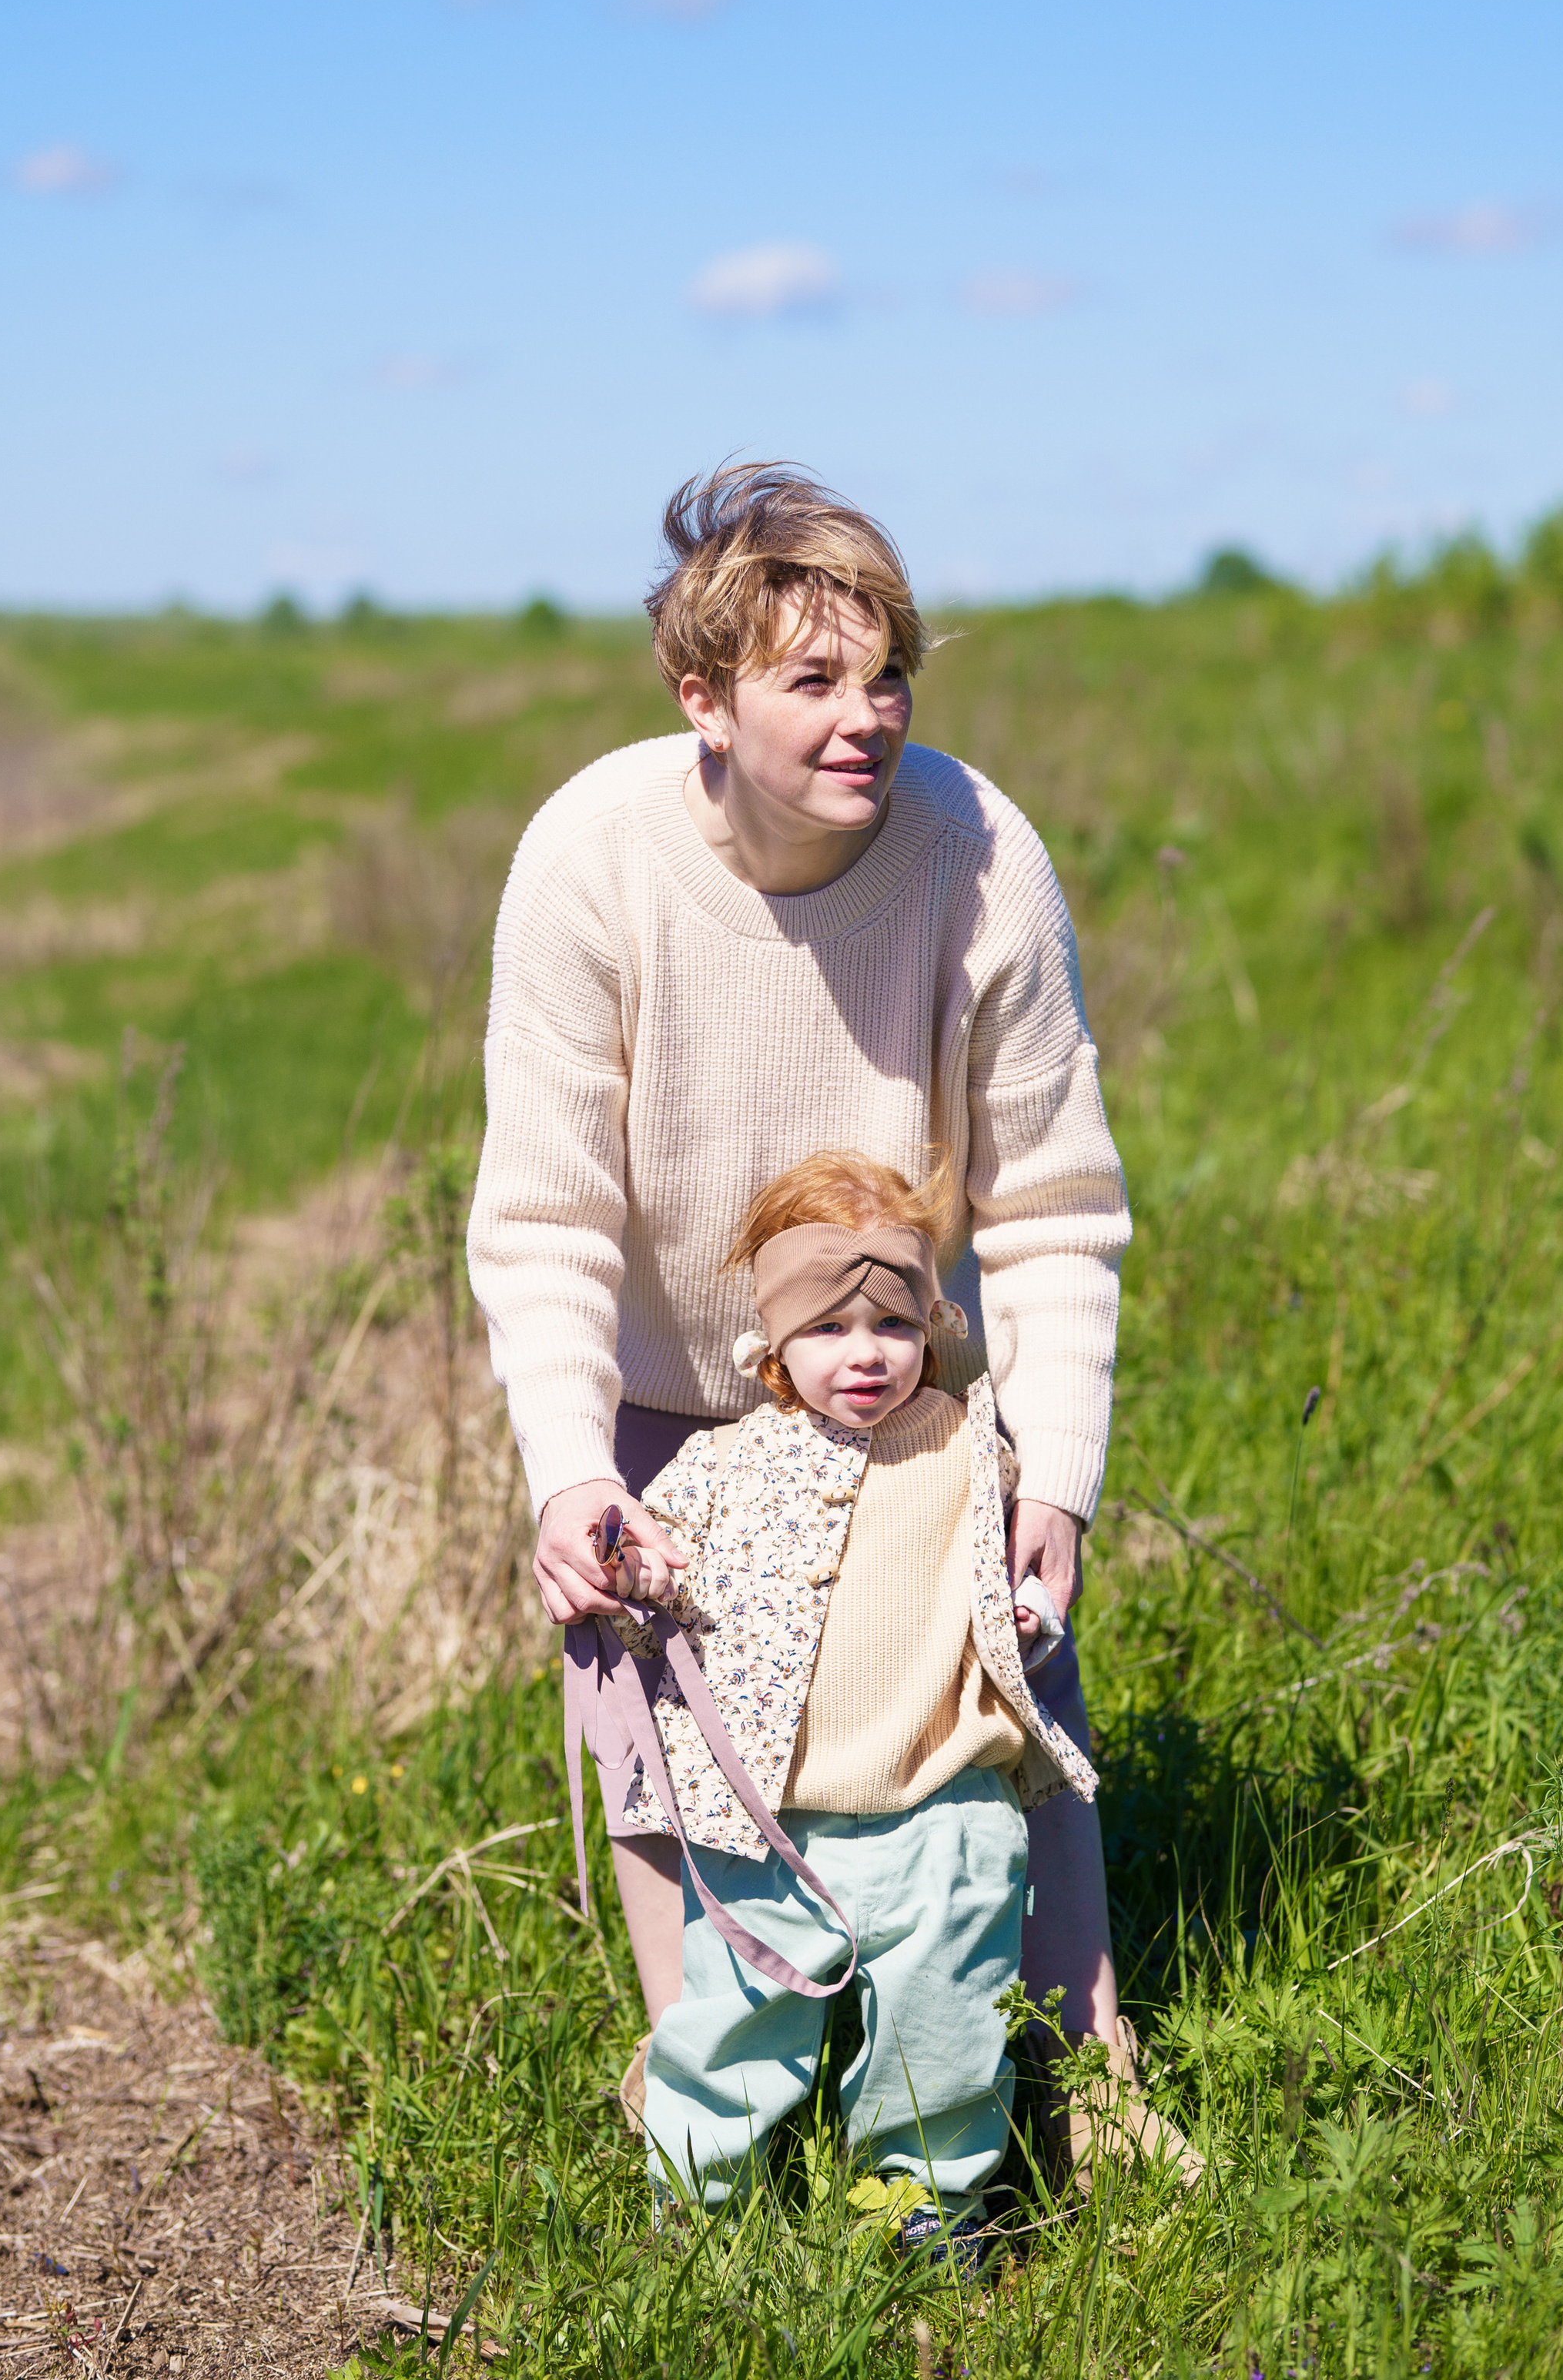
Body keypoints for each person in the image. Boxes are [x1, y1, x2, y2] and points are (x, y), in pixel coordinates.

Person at [467, 460, 1166, 2174]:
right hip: (672, 1391)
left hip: (895, 1380)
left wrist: (1049, 1479)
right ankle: (705, 2078)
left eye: (887, 677)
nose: (866, 719)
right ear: (700, 697)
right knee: (650, 1712)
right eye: (811, 682)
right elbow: (546, 1218)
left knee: (1008, 1685)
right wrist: (573, 1475)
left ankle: (1084, 2069)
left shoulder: (970, 852)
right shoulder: (591, 861)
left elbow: (1054, 1209)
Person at [603, 1152, 1094, 2254]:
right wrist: (636, 1579)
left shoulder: (972, 1446)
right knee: (729, 2024)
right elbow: (657, 1602)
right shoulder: (722, 1466)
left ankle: (930, 2209)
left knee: (948, 2024)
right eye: (828, 1330)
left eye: (893, 1325)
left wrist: (1027, 1616)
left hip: (943, 1804)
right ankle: (695, 2211)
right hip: (771, 1818)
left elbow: (1016, 1571)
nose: (865, 1354)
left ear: (933, 1326)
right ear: (774, 1346)